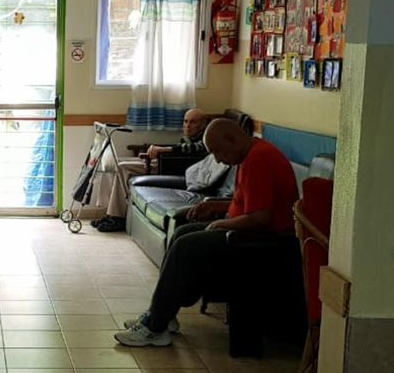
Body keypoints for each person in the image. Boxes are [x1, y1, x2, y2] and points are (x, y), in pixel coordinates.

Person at [115, 118, 298, 347]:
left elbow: (260, 219)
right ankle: (163, 313)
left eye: (218, 151)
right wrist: (214, 206)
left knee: (185, 247)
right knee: (182, 233)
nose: (218, 159)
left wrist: (222, 224)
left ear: (232, 138)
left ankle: (155, 327)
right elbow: (248, 204)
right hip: (248, 234)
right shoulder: (250, 154)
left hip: (259, 243)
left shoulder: (258, 160)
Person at [94, 108, 210, 232]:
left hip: (171, 168)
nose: (187, 125)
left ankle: (116, 217)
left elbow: (196, 148)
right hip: (163, 161)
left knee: (122, 167)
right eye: (185, 121)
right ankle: (109, 212)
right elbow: (181, 148)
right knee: (117, 163)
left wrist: (165, 149)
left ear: (203, 125)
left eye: (193, 122)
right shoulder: (190, 137)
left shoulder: (207, 137)